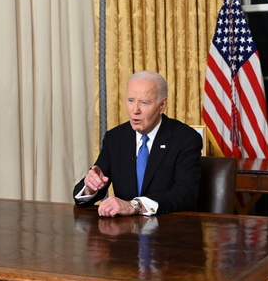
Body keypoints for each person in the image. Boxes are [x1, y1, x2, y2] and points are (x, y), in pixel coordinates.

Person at [73, 71, 203, 216]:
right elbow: (90, 190)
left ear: (162, 105)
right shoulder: (115, 138)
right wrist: (90, 188)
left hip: (167, 230)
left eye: (144, 102)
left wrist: (135, 206)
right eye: (130, 100)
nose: (135, 110)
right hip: (124, 232)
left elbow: (186, 194)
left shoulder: (186, 138)